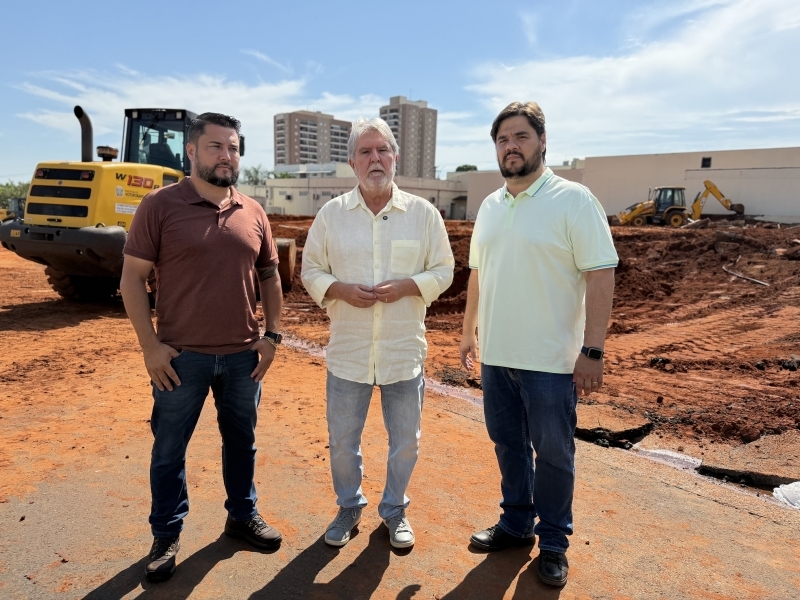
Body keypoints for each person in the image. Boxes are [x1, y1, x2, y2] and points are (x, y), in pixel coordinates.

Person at [120, 112, 284, 582]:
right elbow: (132, 279)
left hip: (241, 359)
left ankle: (241, 516)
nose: (226, 155)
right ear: (191, 151)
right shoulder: (159, 205)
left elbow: (271, 277)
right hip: (180, 358)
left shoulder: (252, 211)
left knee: (242, 444)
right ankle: (166, 534)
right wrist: (150, 347)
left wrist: (272, 336)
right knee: (170, 448)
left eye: (233, 147)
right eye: (215, 147)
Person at [459, 102, 618, 587]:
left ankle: (553, 542)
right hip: (497, 357)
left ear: (542, 141)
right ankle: (515, 523)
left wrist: (592, 350)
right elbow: (478, 275)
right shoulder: (489, 205)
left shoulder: (574, 200)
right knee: (507, 444)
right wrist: (468, 332)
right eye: (503, 139)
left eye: (521, 136)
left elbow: (601, 273)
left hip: (551, 362)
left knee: (553, 454)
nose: (512, 146)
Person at [301, 117, 454, 549]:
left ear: (395, 157)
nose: (375, 159)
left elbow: (445, 269)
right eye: (366, 151)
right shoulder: (331, 216)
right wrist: (339, 290)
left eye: (382, 150)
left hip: (402, 354)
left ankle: (394, 510)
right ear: (352, 161)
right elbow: (310, 269)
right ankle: (349, 506)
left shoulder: (422, 215)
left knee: (405, 442)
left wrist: (410, 286)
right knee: (343, 442)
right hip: (348, 354)